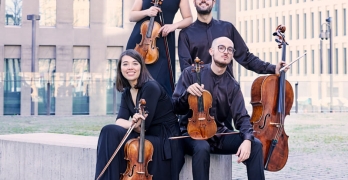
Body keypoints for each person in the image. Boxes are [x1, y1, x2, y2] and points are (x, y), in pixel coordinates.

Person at [172, 37, 265, 180]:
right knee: (202, 147)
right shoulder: (190, 74)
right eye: (221, 48)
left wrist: (247, 140)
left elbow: (242, 117)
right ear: (211, 51)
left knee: (256, 145)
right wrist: (187, 94)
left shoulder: (232, 85)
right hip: (191, 133)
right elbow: (175, 107)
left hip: (218, 135)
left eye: (230, 49)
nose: (226, 52)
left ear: (232, 55)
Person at [95, 49, 184, 180]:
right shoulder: (127, 93)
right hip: (145, 136)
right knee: (109, 131)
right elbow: (119, 120)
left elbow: (143, 126)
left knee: (113, 132)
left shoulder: (151, 87)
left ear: (141, 67)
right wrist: (132, 123)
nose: (130, 67)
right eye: (125, 64)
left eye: (135, 63)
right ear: (120, 69)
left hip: (164, 142)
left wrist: (135, 124)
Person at [178, 0, 284, 75]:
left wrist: (273, 68)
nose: (204, 0)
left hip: (227, 92)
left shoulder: (228, 28)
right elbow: (185, 68)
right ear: (194, 2)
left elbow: (246, 57)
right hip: (201, 93)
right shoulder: (185, 34)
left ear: (214, 2)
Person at [126, 0, 193, 96]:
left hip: (163, 41)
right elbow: (131, 16)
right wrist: (147, 12)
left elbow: (189, 18)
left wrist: (174, 26)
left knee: (161, 82)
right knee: (135, 81)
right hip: (140, 40)